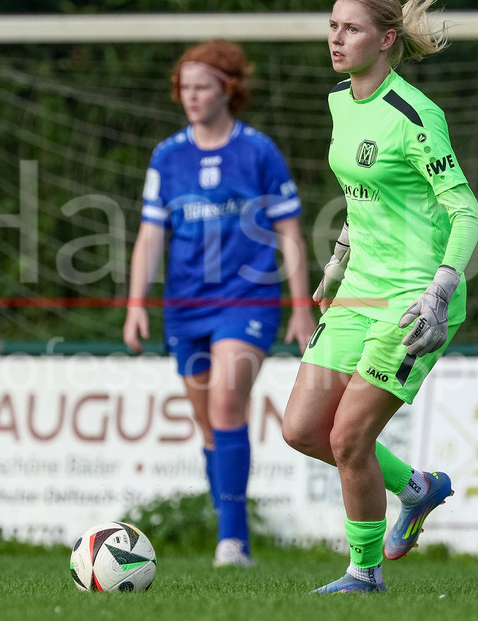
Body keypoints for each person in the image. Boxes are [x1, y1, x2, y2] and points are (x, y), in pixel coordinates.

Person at [282, 0, 478, 593]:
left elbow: (466, 212)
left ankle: (362, 574)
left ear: (387, 40)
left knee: (349, 437)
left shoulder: (415, 115)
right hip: (358, 294)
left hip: (413, 300)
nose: (336, 39)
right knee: (302, 429)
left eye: (351, 29)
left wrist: (439, 294)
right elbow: (362, 202)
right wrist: (335, 271)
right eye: (333, 25)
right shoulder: (342, 103)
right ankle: (416, 489)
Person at [124, 39, 316, 568]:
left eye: (202, 86)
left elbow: (290, 232)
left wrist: (301, 307)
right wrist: (136, 302)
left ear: (227, 89)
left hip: (247, 297)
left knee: (228, 402)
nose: (191, 96)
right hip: (184, 305)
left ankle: (232, 543)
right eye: (184, 87)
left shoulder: (258, 151)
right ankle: (232, 532)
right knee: (209, 423)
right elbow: (150, 235)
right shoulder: (168, 155)